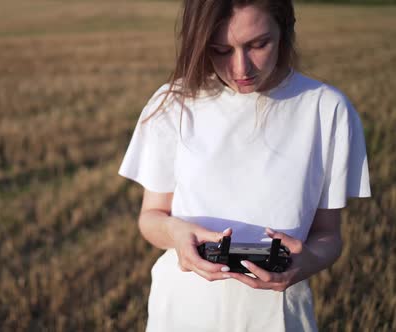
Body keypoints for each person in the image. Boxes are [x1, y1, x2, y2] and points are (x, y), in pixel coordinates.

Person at [117, 0, 371, 331]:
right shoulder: (175, 103)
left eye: (258, 45)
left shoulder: (326, 109)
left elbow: (328, 235)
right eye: (221, 50)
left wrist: (307, 261)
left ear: (285, 29)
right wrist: (176, 234)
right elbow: (151, 218)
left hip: (276, 314)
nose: (241, 69)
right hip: (183, 309)